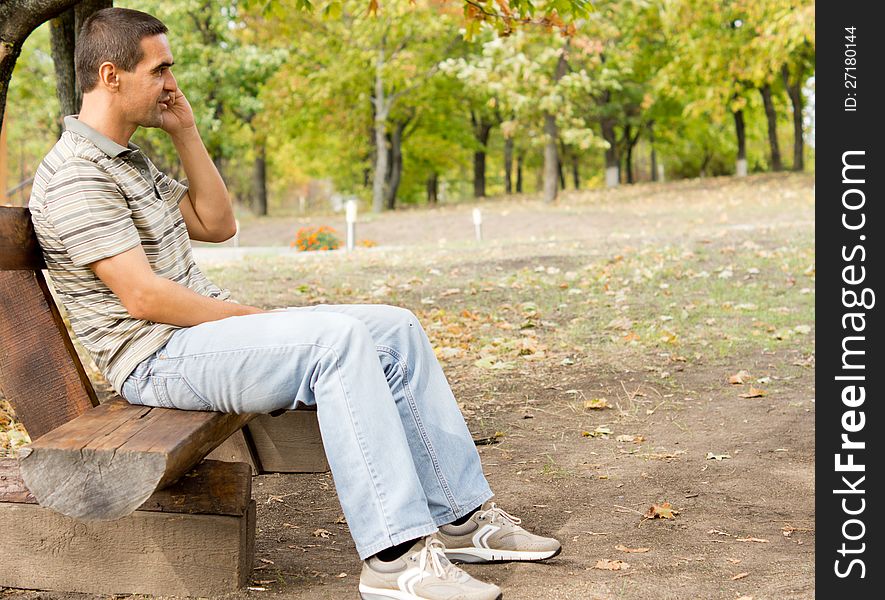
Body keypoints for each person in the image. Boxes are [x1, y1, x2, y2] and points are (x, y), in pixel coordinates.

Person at [28, 8, 561, 600]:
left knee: (395, 328)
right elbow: (143, 297)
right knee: (336, 341)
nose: (171, 83)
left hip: (193, 342)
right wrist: (260, 320)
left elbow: (217, 222)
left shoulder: (128, 160)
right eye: (160, 69)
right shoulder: (76, 174)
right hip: (155, 358)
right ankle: (394, 560)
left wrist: (186, 131)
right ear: (111, 75)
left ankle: (461, 519)